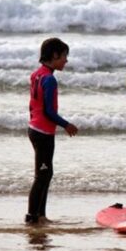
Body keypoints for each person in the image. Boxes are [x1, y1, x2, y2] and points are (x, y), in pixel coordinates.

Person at [26, 38, 78, 224]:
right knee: (43, 175)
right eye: (64, 56)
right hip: (43, 133)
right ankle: (32, 217)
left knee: (45, 174)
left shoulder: (37, 74)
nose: (66, 60)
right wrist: (66, 125)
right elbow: (49, 111)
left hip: (35, 129)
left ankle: (40, 216)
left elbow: (33, 104)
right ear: (55, 55)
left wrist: (34, 121)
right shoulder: (49, 79)